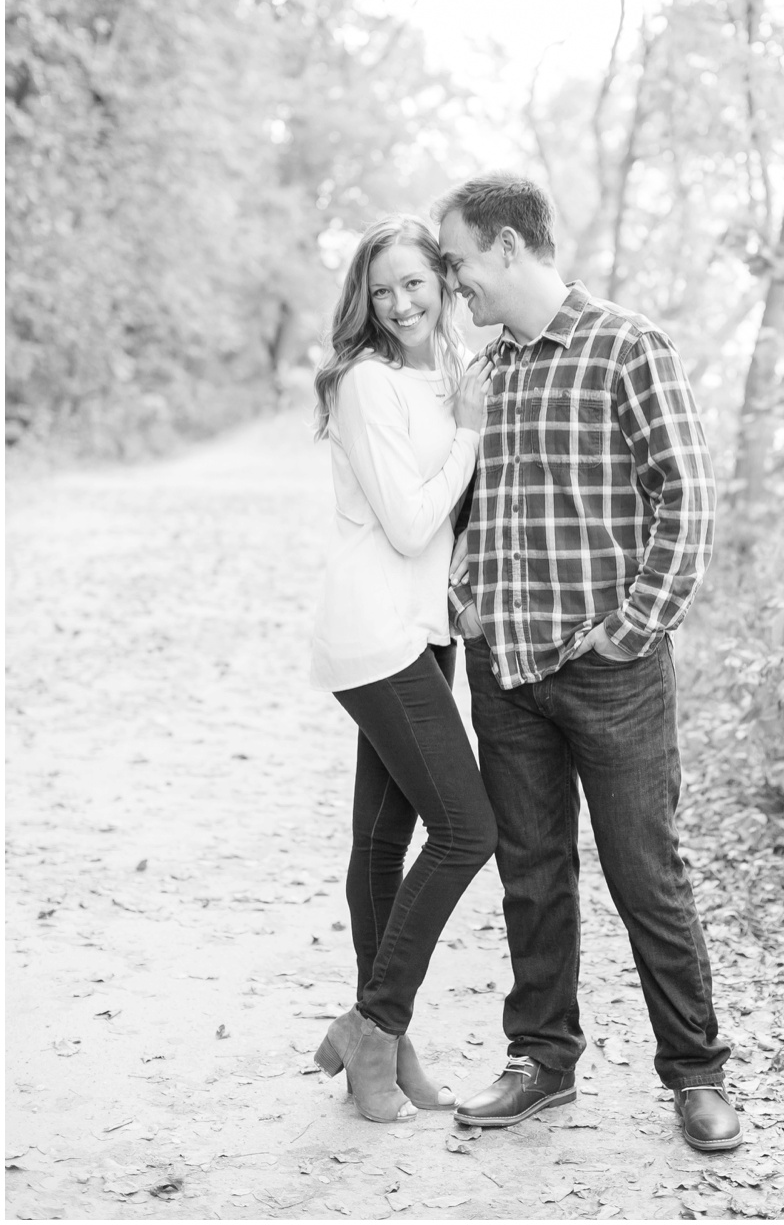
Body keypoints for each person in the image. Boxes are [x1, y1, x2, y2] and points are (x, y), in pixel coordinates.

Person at [433, 173, 740, 1151]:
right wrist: (467, 598)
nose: (452, 282)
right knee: (530, 869)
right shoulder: (491, 370)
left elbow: (685, 499)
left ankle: (695, 1071)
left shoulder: (627, 344)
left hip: (611, 670)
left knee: (646, 872)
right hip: (507, 668)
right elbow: (475, 503)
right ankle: (541, 1059)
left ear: (511, 247)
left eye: (459, 260)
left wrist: (632, 626)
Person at [308, 215, 495, 1123]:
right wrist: (467, 432)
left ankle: (383, 1043)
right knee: (467, 828)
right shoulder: (366, 384)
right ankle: (374, 1024)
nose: (400, 303)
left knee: (382, 843)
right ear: (364, 300)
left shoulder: (446, 376)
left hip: (424, 630)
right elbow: (411, 521)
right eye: (382, 289)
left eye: (415, 282)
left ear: (443, 283)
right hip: (374, 631)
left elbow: (447, 533)